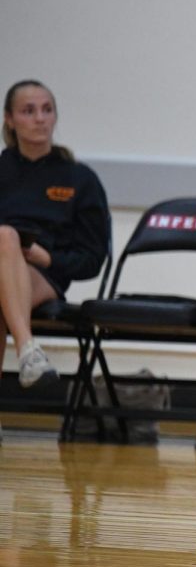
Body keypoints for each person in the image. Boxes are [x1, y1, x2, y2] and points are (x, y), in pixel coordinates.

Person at [0, 80, 109, 392]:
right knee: (5, 240)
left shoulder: (80, 178)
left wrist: (48, 257)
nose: (40, 118)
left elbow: (93, 258)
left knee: (5, 237)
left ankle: (26, 349)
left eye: (47, 110)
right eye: (28, 111)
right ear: (9, 119)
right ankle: (29, 353)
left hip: (45, 274)